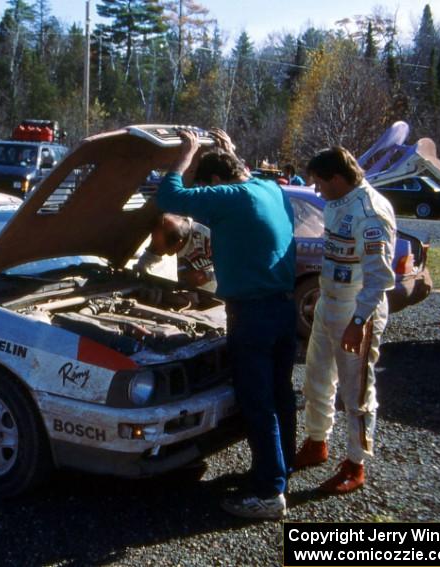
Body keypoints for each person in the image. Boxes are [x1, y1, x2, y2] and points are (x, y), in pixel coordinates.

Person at [155, 128, 297, 520]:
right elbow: (243, 177)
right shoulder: (270, 189)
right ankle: (281, 470)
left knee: (258, 401)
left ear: (214, 183)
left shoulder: (230, 197)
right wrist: (229, 151)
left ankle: (269, 493)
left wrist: (187, 152)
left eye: (207, 187)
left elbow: (168, 198)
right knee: (281, 394)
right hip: (283, 310)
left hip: (253, 314)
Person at [294, 147, 396, 494]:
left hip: (356, 311)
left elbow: (380, 278)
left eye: (320, 184)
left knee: (357, 392)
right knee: (317, 378)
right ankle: (317, 441)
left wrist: (358, 320)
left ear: (337, 178)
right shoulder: (340, 202)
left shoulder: (371, 212)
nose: (318, 191)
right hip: (329, 303)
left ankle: (356, 463)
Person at [135, 213, 215, 291]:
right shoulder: (164, 232)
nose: (158, 251)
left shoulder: (210, 240)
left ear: (178, 243)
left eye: (162, 249)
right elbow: (152, 253)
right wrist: (139, 271)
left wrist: (207, 275)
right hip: (192, 270)